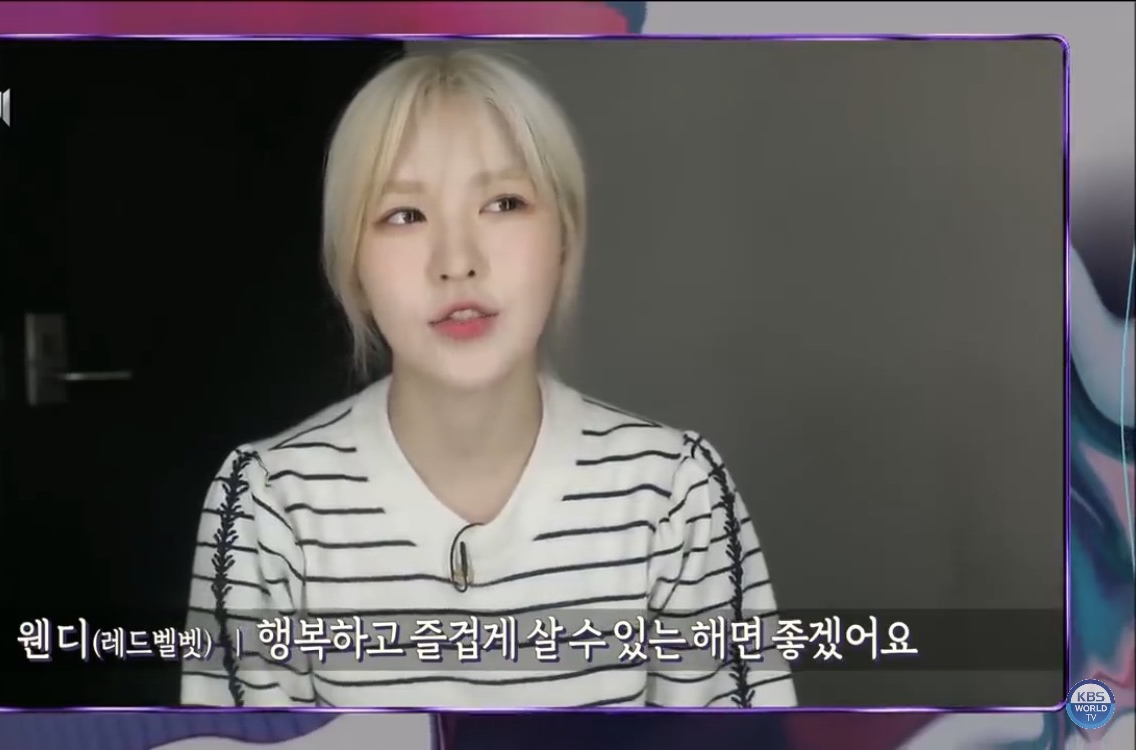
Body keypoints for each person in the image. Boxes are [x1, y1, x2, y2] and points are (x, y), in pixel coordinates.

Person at [182, 48, 795, 710]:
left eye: (504, 203)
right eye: (404, 215)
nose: (458, 261)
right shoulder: (268, 503)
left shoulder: (676, 493)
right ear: (352, 265)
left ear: (564, 237)